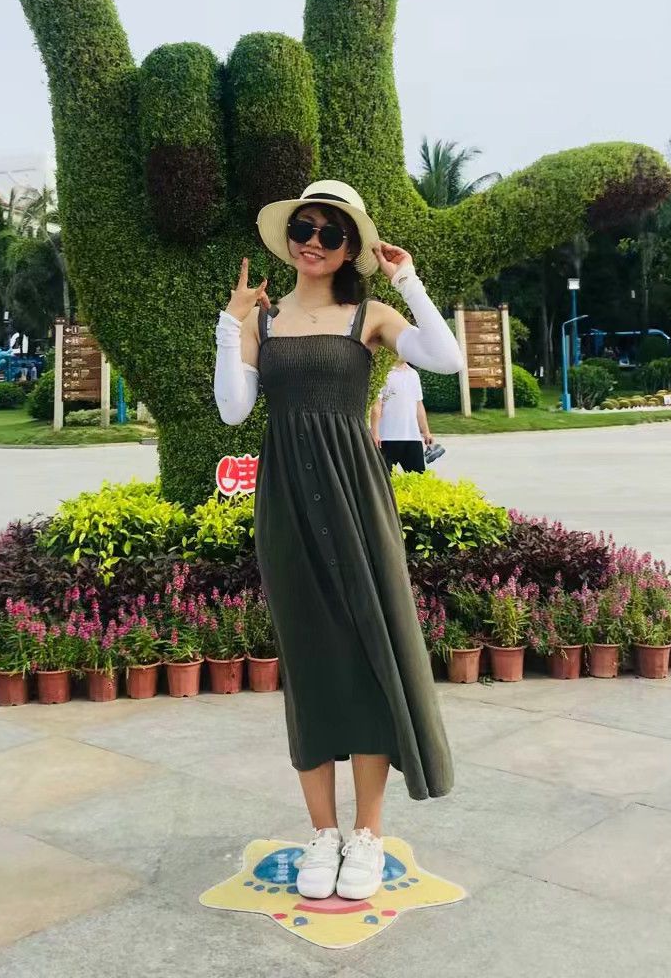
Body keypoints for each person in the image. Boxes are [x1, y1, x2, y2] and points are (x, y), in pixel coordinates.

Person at [214, 179, 463, 904]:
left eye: (330, 233)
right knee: (310, 660)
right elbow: (233, 409)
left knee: (367, 651)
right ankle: (322, 832)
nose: (313, 242)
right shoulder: (264, 318)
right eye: (304, 228)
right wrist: (230, 325)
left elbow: (445, 358)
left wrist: (408, 279)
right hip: (287, 502)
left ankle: (367, 832)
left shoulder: (369, 315)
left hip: (357, 498)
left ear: (351, 246)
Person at [370, 362, 433, 473]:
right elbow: (377, 405)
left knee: (418, 478)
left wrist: (426, 432)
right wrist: (375, 433)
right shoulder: (383, 373)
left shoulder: (413, 374)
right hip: (386, 437)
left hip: (412, 437)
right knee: (383, 479)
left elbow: (418, 405)